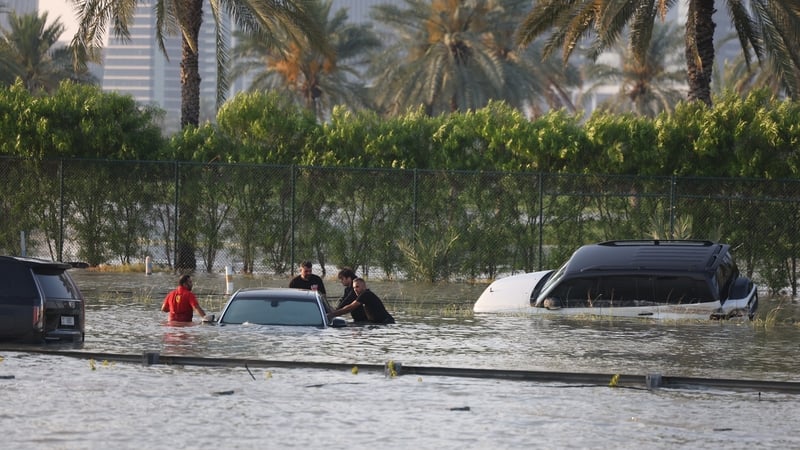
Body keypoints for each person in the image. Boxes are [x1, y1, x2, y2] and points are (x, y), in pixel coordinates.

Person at [327, 277, 395, 324]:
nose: (355, 289)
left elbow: (349, 308)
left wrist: (330, 315)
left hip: (386, 323)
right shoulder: (364, 295)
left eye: (357, 287)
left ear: (364, 287)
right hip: (380, 323)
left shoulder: (366, 294)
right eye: (353, 288)